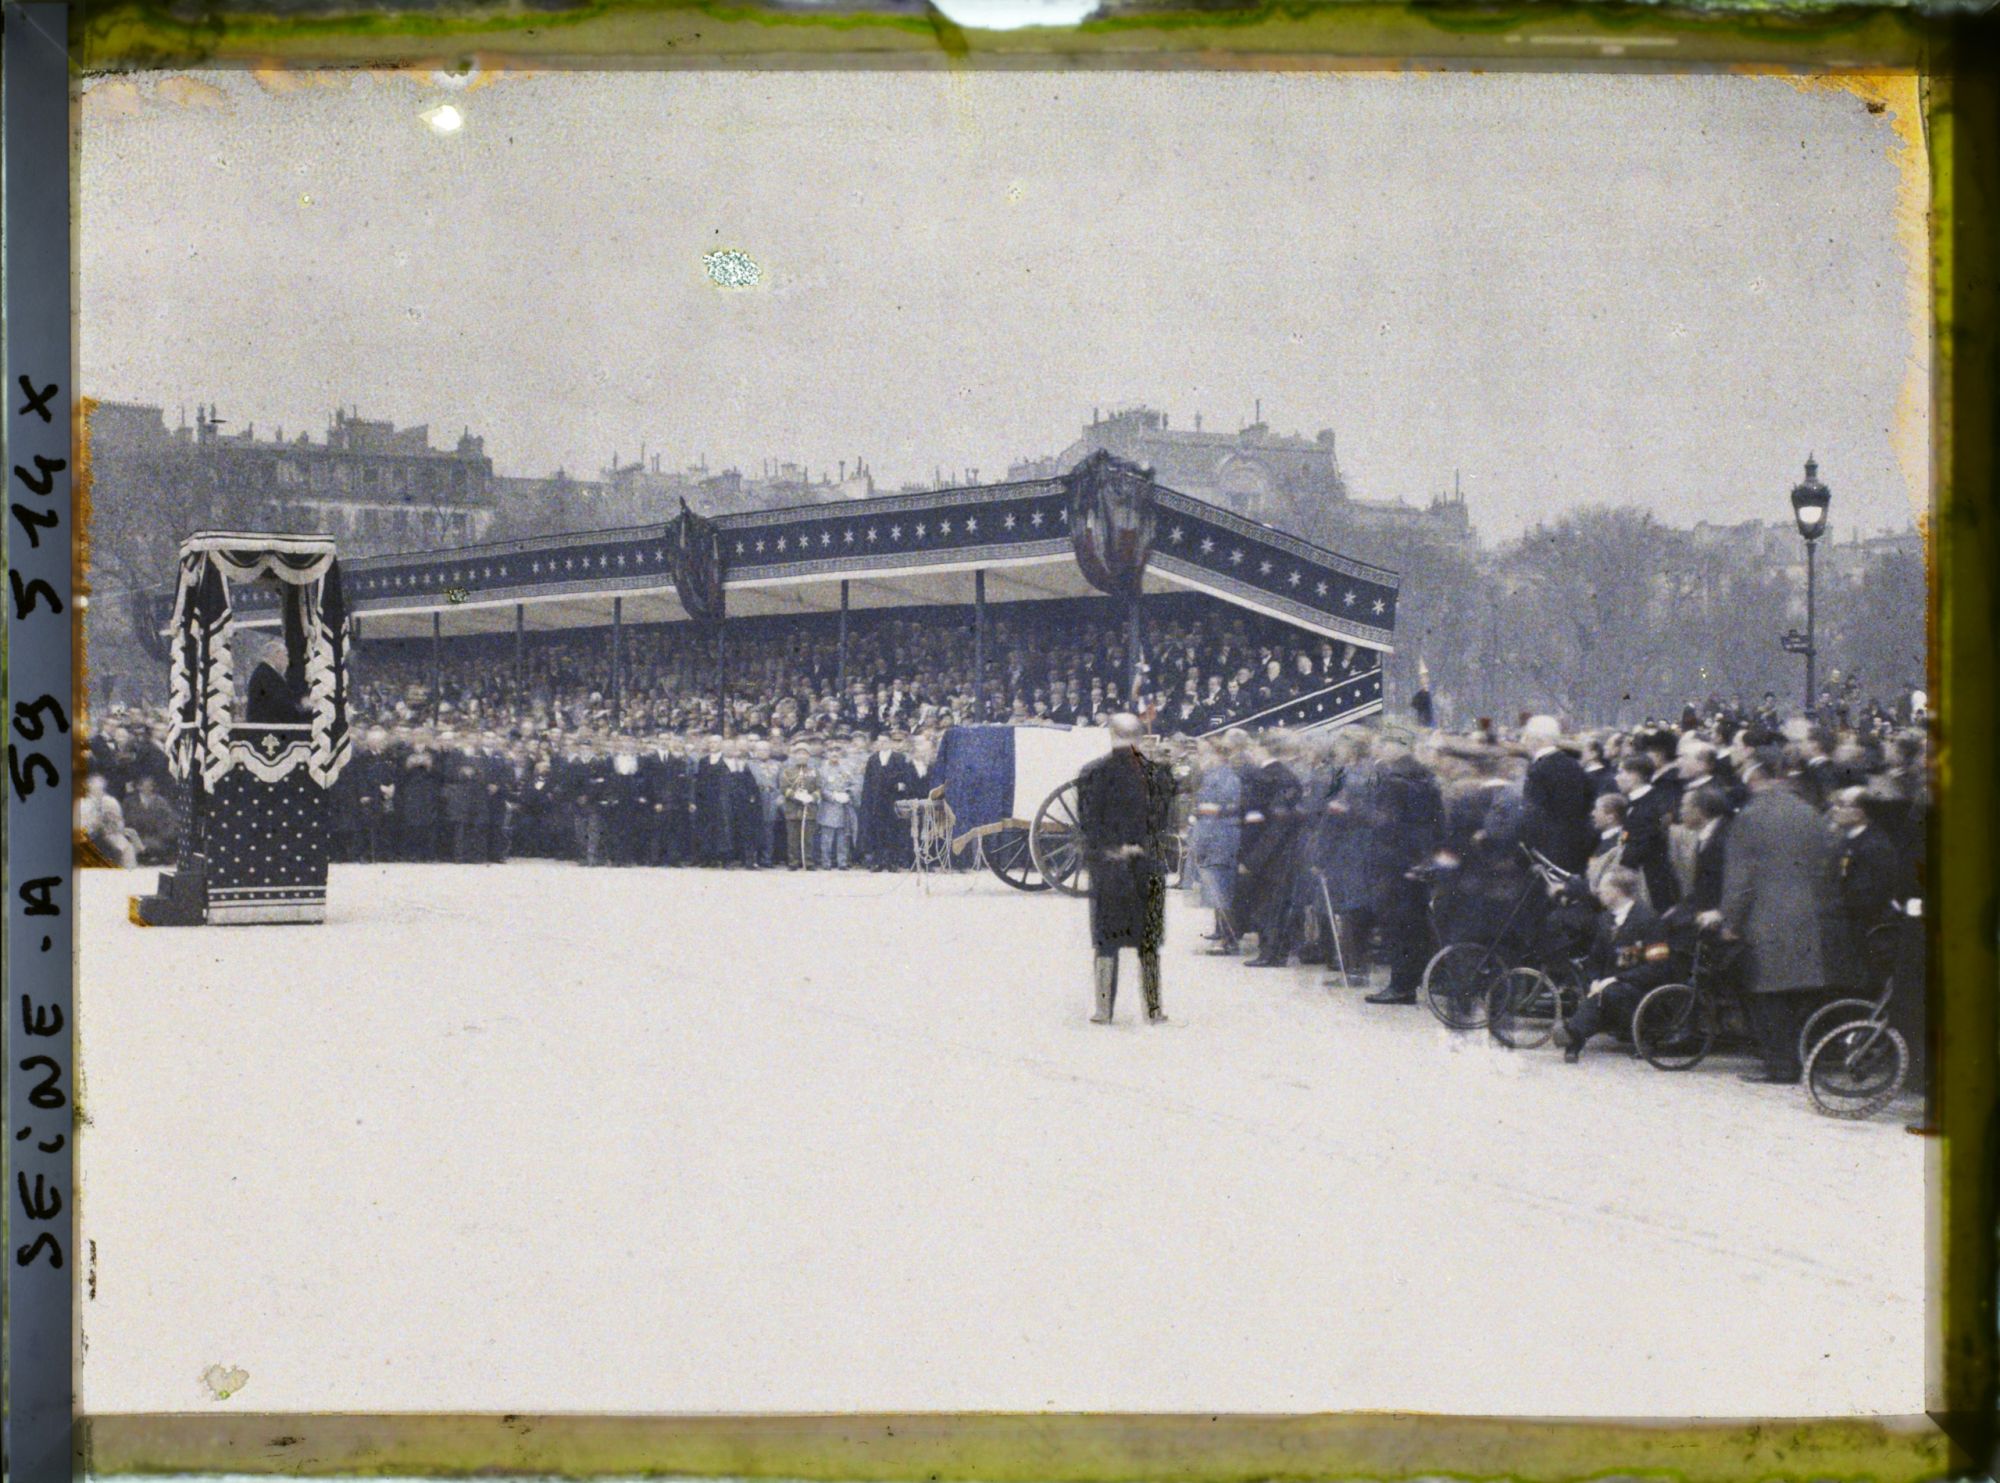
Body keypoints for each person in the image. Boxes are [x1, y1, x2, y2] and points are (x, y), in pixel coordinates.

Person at [1704, 748, 1861, 1084]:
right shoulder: (1811, 814)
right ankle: (1802, 1060)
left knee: (1765, 995)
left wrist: (1730, 922)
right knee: (1797, 994)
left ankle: (1780, 1066)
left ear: (1758, 773)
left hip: (1765, 918)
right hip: (1811, 917)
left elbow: (1740, 878)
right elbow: (1830, 864)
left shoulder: (1751, 815)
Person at [1074, 713, 1178, 1024]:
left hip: (1110, 866)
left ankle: (1103, 1010)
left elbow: (1088, 824)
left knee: (1106, 941)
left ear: (1111, 734)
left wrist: (1112, 848)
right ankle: (1154, 1009)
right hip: (1147, 864)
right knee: (1149, 942)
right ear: (1140, 736)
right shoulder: (1159, 774)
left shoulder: (1092, 773)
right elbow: (1163, 822)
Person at [1561, 866, 1675, 1062]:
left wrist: (1616, 978)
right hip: (1610, 989)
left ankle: (1575, 1035)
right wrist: (1595, 980)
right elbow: (1595, 959)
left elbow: (1657, 967)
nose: (1599, 892)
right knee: (1600, 993)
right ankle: (1574, 1038)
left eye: (1604, 888)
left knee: (1609, 993)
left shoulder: (1648, 920)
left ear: (1617, 891)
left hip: (1640, 990)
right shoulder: (1605, 920)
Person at [1188, 731, 1246, 954]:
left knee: (1220, 890)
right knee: (1217, 889)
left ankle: (1228, 939)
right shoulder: (1222, 776)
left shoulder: (1220, 778)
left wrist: (1199, 843)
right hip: (1218, 835)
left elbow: (1211, 813)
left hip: (1218, 836)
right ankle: (1224, 934)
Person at [1520, 715, 1596, 874]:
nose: (1523, 742)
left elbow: (1533, 816)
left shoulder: (1538, 770)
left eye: (1526, 737)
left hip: (1547, 853)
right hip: (1577, 848)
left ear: (1537, 739)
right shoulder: (1574, 766)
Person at [77, 772, 139, 867]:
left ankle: (129, 876)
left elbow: (120, 824)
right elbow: (82, 828)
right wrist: (96, 822)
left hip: (109, 834)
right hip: (88, 836)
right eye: (95, 788)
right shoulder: (82, 803)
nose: (99, 791)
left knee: (127, 848)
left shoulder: (111, 802)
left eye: (101, 788)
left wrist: (114, 823)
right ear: (89, 789)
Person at [778, 745, 820, 869]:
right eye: (799, 754)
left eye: (804, 754)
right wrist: (795, 796)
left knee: (808, 838)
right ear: (795, 756)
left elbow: (819, 788)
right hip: (792, 808)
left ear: (808, 756)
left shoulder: (814, 771)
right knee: (792, 838)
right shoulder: (787, 771)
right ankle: (793, 862)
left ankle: (808, 862)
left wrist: (811, 797)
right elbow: (783, 788)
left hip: (809, 808)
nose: (802, 756)